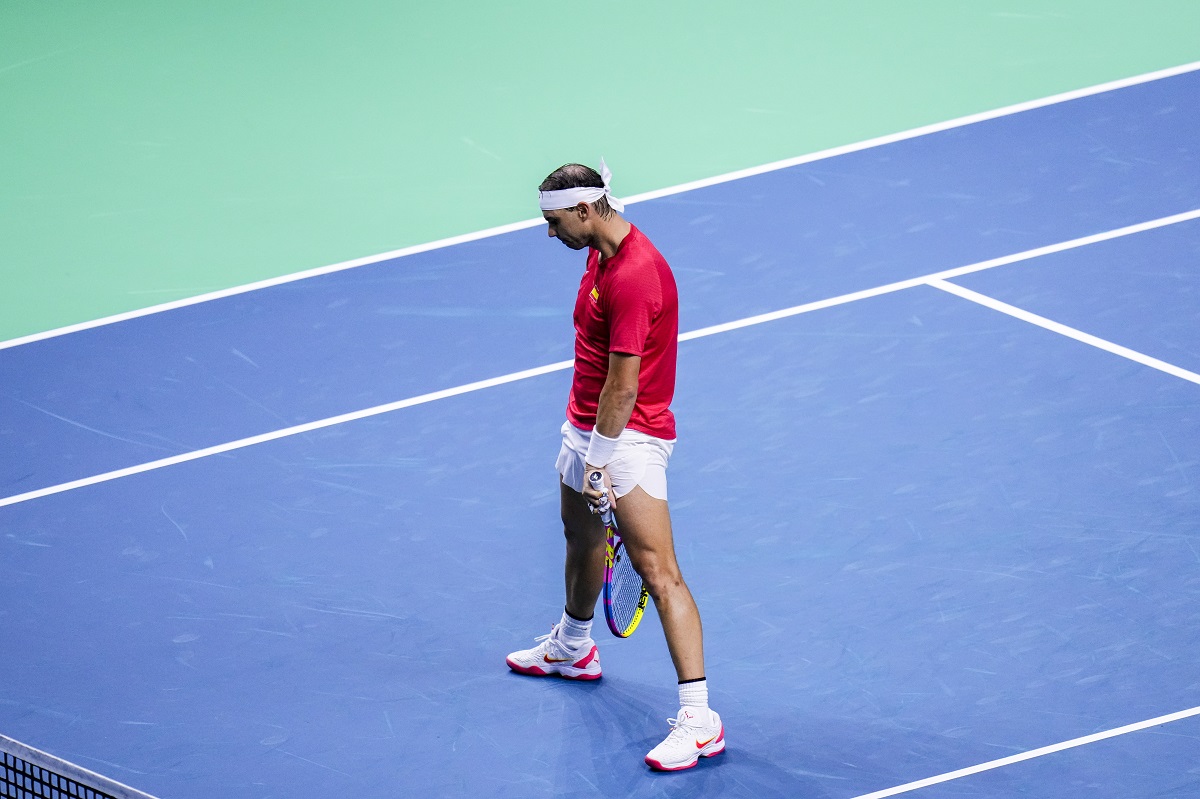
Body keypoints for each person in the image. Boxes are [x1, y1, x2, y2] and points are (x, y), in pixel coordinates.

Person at [505, 160, 725, 771]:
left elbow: (624, 388)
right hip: (586, 427)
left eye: (553, 222)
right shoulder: (599, 256)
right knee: (581, 538)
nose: (549, 233)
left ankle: (700, 718)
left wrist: (600, 462)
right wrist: (583, 443)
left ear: (584, 211)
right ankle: (574, 647)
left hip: (628, 439)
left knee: (659, 572)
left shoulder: (635, 275)